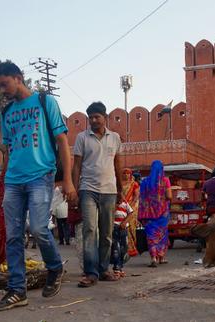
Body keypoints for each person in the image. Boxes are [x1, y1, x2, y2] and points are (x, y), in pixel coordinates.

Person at [0, 62, 76, 311]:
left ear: (18, 78)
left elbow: (62, 141)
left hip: (41, 176)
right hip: (13, 180)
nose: (2, 91)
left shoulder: (44, 101)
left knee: (39, 228)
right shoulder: (7, 113)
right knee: (13, 236)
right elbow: (9, 148)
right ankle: (17, 290)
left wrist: (68, 180)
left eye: (4, 84)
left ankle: (55, 266)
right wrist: (2, 176)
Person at [72, 101, 122, 288]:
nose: (93, 120)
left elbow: (117, 164)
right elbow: (76, 166)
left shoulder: (115, 138)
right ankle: (91, 273)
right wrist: (74, 190)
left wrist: (121, 189)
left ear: (105, 117)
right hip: (88, 190)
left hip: (110, 190)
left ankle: (104, 269)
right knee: (90, 231)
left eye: (97, 117)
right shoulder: (82, 138)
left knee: (107, 233)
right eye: (90, 117)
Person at [138, 160, 172, 267]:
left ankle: (153, 257)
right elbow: (169, 196)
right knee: (162, 234)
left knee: (151, 235)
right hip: (162, 214)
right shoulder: (165, 180)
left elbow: (142, 198)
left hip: (149, 214)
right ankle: (161, 257)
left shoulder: (145, 182)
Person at [111, 200, 134, 277]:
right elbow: (109, 213)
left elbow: (131, 213)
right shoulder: (111, 202)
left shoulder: (125, 203)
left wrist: (125, 222)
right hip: (114, 228)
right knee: (116, 248)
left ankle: (120, 266)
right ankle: (116, 267)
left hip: (123, 228)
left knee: (124, 248)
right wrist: (116, 205)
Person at [121, 168, 140, 257]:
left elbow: (136, 196)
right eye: (124, 173)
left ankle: (132, 247)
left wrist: (130, 206)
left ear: (130, 174)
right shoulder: (119, 184)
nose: (126, 175)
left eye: (128, 173)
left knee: (130, 227)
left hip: (131, 207)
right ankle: (125, 247)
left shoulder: (134, 184)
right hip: (121, 207)